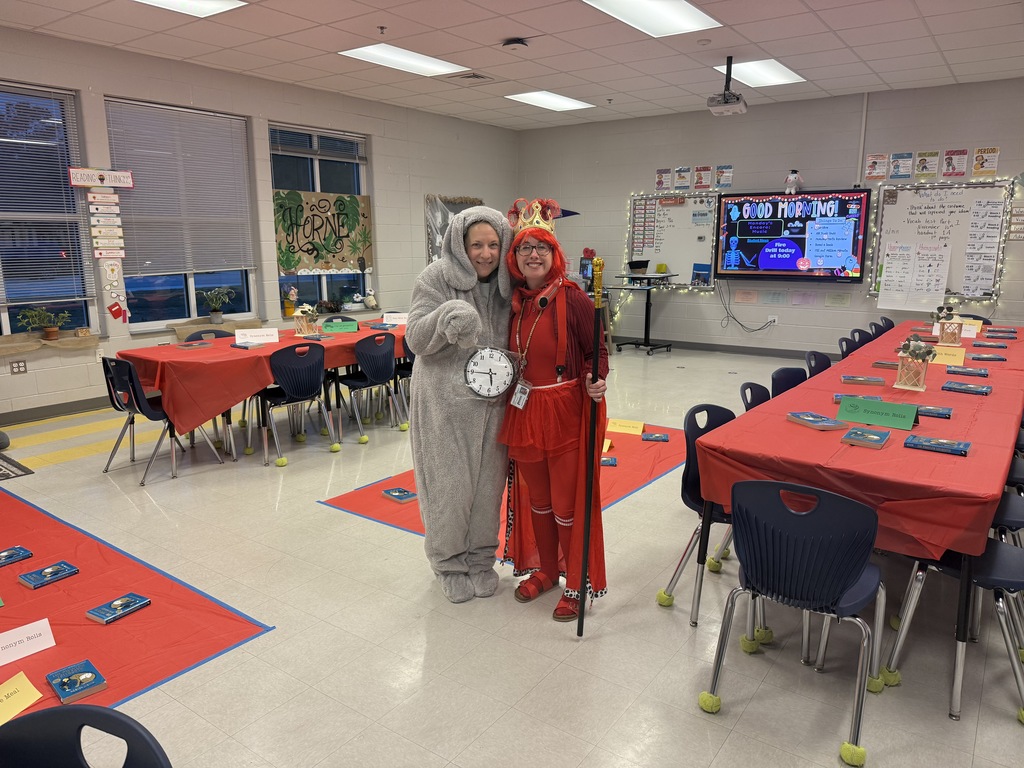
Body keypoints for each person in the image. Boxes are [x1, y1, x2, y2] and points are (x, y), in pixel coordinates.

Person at [499, 198, 609, 622]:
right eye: (525, 248)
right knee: (538, 501)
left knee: (567, 503)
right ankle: (546, 569)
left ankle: (577, 582)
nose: (533, 255)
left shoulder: (574, 298)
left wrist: (596, 377)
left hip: (564, 410)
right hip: (524, 408)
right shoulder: (514, 301)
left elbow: (595, 349)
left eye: (541, 247)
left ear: (554, 254)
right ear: (516, 257)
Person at [406, 206, 514, 603]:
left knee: (488, 489)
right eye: (476, 245)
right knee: (449, 488)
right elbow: (415, 338)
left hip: (495, 402)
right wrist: (447, 315)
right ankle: (448, 563)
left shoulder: (508, 284)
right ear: (459, 245)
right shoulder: (435, 278)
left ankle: (481, 559)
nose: (485, 254)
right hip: (446, 403)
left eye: (492, 244)